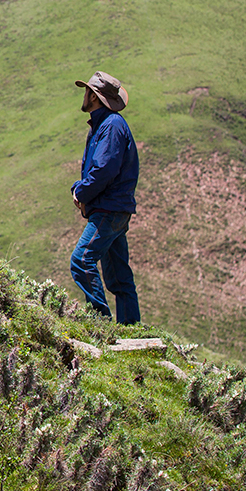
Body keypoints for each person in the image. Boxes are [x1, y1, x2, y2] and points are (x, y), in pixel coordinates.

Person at [69, 70, 141, 324]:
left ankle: (101, 324)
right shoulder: (107, 124)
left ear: (95, 97)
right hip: (116, 209)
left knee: (81, 260)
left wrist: (82, 191)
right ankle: (132, 330)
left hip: (108, 210)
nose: (85, 95)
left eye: (87, 91)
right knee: (119, 277)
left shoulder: (110, 126)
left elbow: (103, 170)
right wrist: (82, 188)